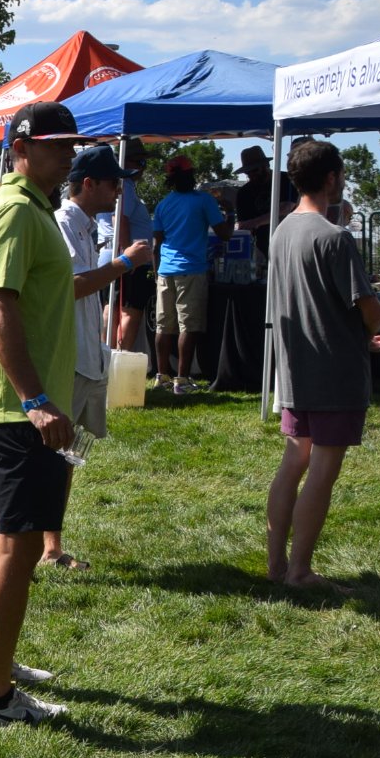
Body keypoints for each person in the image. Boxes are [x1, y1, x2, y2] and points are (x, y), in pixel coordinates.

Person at [0, 101, 81, 727]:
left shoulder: (27, 208)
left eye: (71, 145)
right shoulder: (13, 210)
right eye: (57, 144)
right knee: (20, 543)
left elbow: (34, 295)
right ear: (23, 147)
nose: (69, 154)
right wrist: (35, 399)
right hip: (19, 409)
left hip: (15, 406)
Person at [266, 138, 380, 592]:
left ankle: (277, 566)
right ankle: (299, 572)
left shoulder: (281, 231)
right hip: (334, 374)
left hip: (295, 370)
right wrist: (372, 330)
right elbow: (368, 310)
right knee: (322, 469)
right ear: (331, 177)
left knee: (294, 461)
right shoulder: (335, 237)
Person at [48, 145, 153, 571]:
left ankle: (50, 545)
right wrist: (124, 263)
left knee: (68, 457)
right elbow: (69, 287)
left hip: (85, 357)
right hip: (67, 360)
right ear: (88, 183)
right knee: (52, 459)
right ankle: (46, 549)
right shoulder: (63, 224)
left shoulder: (86, 225)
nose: (118, 191)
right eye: (113, 183)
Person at [152, 154, 231, 393]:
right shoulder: (204, 200)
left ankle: (161, 377)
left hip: (165, 270)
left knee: (163, 326)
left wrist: (157, 273)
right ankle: (182, 380)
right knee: (189, 326)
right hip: (192, 270)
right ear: (191, 176)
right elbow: (225, 234)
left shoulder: (163, 204)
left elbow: (157, 243)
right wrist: (230, 212)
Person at [113, 141, 154, 355]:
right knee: (129, 311)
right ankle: (120, 358)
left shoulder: (118, 185)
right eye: (141, 162)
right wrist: (129, 256)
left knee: (112, 310)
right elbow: (121, 219)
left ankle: (110, 360)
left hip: (118, 259)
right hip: (129, 261)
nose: (143, 167)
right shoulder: (125, 186)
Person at [234, 145, 295, 254]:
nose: (252, 175)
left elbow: (286, 208)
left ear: (266, 165)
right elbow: (244, 225)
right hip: (263, 248)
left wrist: (255, 222)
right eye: (248, 172)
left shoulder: (287, 180)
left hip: (291, 242)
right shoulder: (244, 193)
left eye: (255, 170)